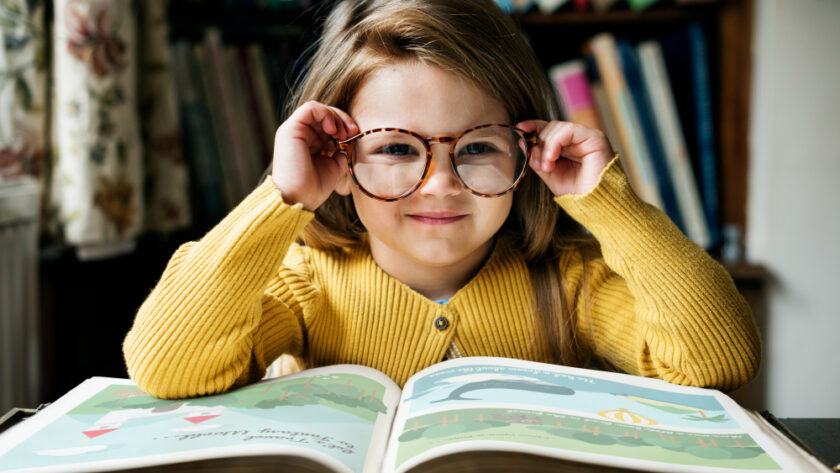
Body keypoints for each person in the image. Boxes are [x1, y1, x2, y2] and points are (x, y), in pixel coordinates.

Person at [123, 0, 760, 399]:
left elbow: (717, 360)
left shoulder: (571, 283)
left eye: (478, 147)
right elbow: (166, 367)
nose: (440, 183)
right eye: (397, 149)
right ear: (338, 159)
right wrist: (284, 196)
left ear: (526, 151)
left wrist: (609, 204)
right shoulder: (304, 286)